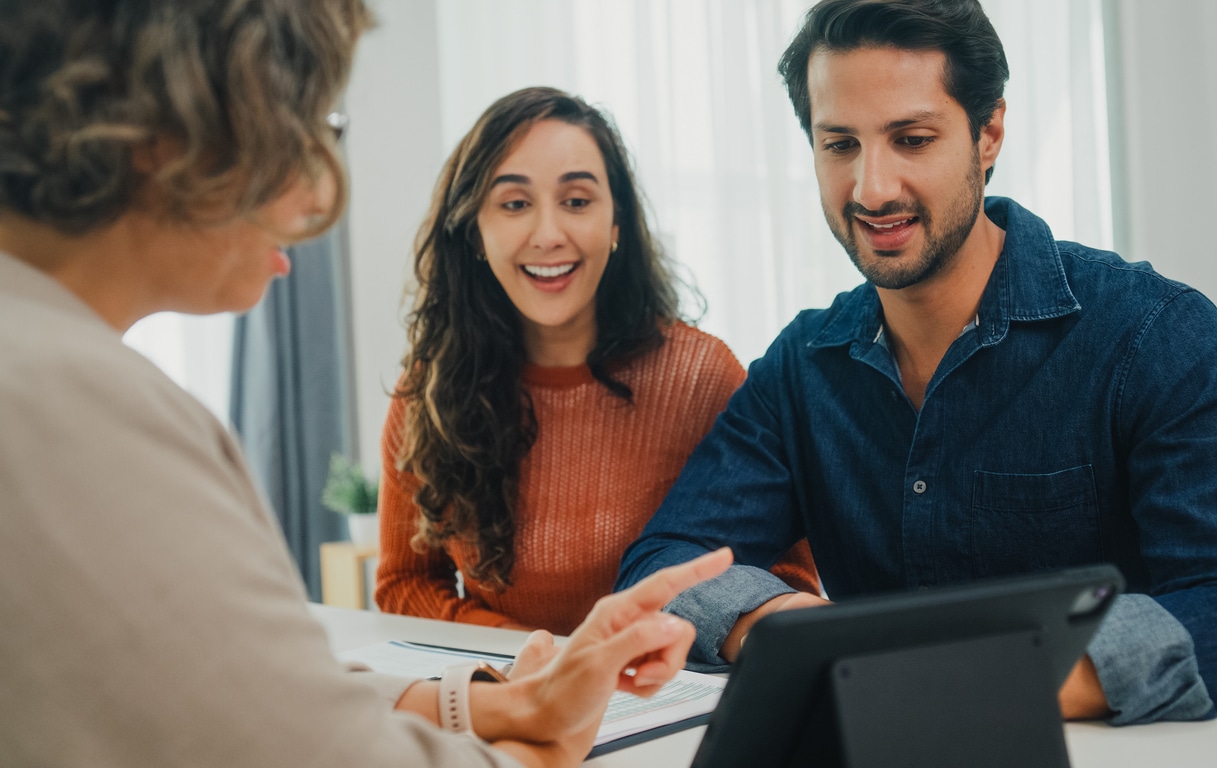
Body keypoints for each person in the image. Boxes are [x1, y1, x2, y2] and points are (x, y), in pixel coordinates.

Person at [0, 2, 733, 767]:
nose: (322, 192)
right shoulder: (79, 409)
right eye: (303, 123)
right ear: (166, 134)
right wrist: (538, 744)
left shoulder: (56, 375)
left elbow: (271, 692)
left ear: (619, 223)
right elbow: (297, 723)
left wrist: (496, 702)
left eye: (577, 199)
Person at [617, 0, 1217, 725]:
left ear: (988, 134)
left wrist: (977, 686)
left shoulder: (1153, 333)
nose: (871, 188)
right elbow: (666, 564)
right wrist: (796, 634)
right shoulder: (802, 366)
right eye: (839, 145)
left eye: (911, 139)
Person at [373, 87, 819, 636]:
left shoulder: (703, 376)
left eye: (577, 201)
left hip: (674, 699)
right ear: (475, 232)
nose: (548, 234)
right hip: (516, 696)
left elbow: (788, 575)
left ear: (616, 226)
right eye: (514, 204)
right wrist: (538, 657)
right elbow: (406, 584)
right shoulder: (429, 394)